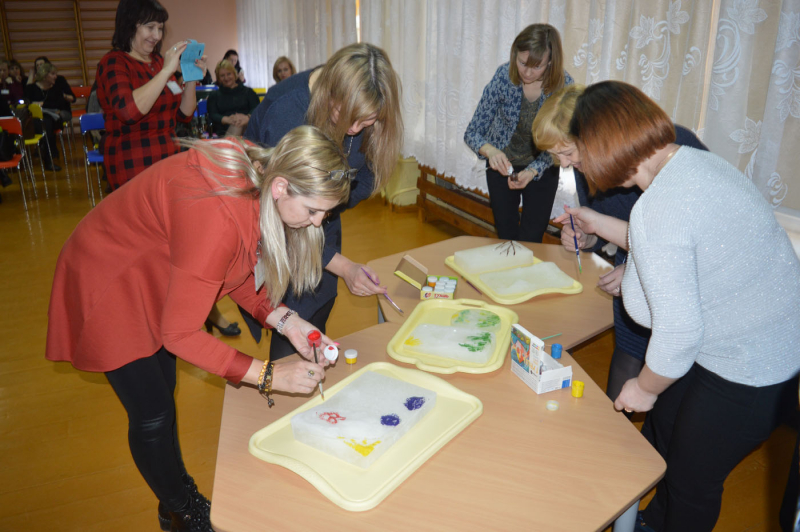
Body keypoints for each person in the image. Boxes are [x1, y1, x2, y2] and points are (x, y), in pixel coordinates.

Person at [45, 126, 350, 532]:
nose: (316, 225)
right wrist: (268, 375)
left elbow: (235, 269)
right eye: (313, 211)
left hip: (157, 274)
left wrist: (287, 320)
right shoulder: (218, 218)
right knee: (151, 413)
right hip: (109, 279)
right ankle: (184, 511)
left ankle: (172, 494)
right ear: (280, 187)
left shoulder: (258, 178)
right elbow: (182, 334)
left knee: (164, 399)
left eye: (324, 215)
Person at [557, 81, 800, 532]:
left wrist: (643, 389)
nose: (582, 164)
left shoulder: (660, 209)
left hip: (753, 364)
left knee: (692, 478)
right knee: (665, 430)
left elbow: (677, 333)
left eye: (583, 152)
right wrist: (600, 224)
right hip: (741, 338)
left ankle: (673, 518)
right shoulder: (691, 165)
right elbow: (670, 246)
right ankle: (655, 522)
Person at [532, 84, 707, 403]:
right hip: (631, 277)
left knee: (673, 378)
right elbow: (604, 228)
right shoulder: (590, 166)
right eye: (555, 157)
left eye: (568, 153)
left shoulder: (672, 155)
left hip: (683, 292)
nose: (566, 165)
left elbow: (688, 246)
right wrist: (586, 237)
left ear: (595, 136)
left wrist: (634, 271)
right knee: (627, 362)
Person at [244, 42, 403, 357]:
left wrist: (325, 209)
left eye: (367, 122)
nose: (355, 130)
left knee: (318, 309)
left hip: (316, 235)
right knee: (290, 330)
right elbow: (285, 216)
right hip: (278, 232)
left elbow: (365, 177)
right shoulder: (287, 112)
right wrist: (344, 266)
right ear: (332, 92)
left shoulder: (360, 104)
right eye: (349, 119)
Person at [464, 23, 572, 242]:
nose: (527, 72)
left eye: (537, 66)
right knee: (506, 236)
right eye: (522, 63)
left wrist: (532, 171)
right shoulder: (504, 77)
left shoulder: (563, 86)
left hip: (543, 167)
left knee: (532, 239)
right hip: (501, 168)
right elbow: (473, 132)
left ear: (551, 62)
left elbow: (562, 145)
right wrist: (491, 151)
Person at [96, 0, 206, 190]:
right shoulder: (114, 63)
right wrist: (165, 72)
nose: (156, 36)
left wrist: (190, 78)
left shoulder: (158, 62)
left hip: (169, 160)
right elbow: (128, 112)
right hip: (133, 164)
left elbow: (184, 114)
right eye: (150, 27)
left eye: (160, 28)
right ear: (129, 25)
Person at [206, 60, 259, 136]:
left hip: (248, 126)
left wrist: (246, 118)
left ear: (235, 74)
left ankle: (227, 146)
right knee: (237, 124)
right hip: (223, 129)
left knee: (238, 123)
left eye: (229, 74)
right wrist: (227, 120)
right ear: (218, 78)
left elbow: (256, 109)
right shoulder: (214, 95)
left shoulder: (248, 92)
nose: (226, 78)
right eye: (222, 75)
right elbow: (213, 114)